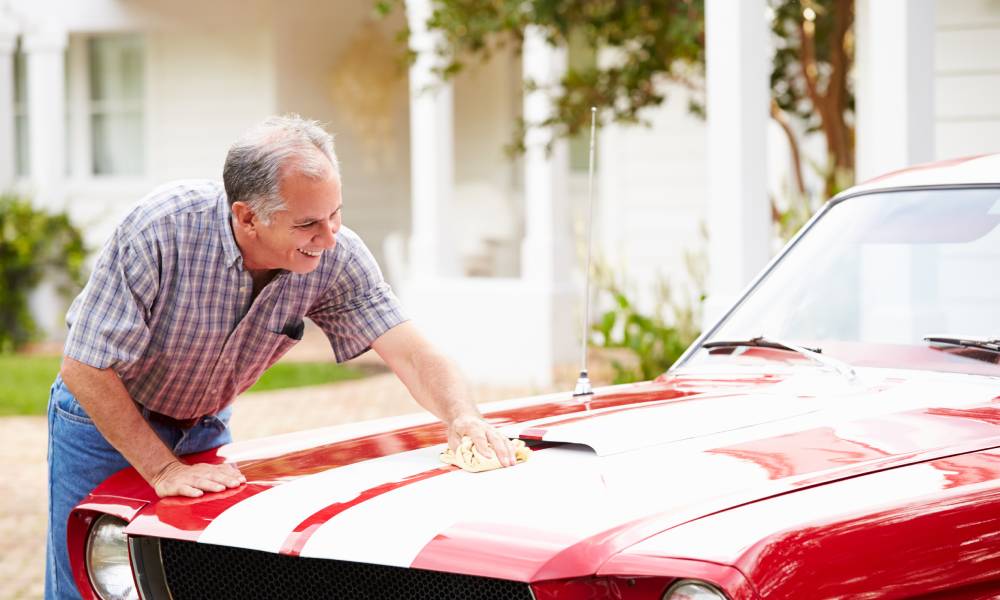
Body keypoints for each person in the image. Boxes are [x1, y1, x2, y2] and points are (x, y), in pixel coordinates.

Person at [46, 115, 517, 599]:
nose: (329, 236)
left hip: (204, 423)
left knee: (187, 580)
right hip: (101, 422)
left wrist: (464, 418)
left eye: (336, 214)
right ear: (247, 217)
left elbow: (413, 353)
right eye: (308, 223)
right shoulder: (161, 229)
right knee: (93, 582)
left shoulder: (335, 254)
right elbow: (84, 365)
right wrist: (164, 471)